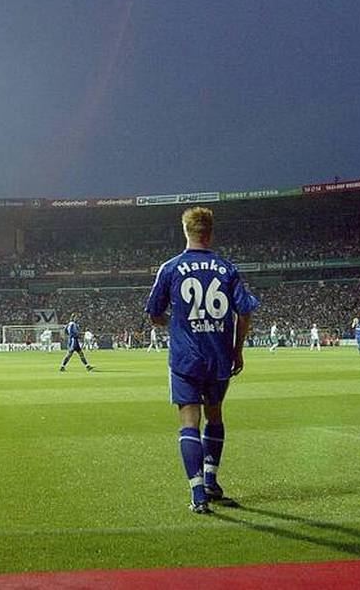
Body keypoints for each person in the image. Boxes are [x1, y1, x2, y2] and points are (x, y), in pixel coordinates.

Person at [145, 207, 259, 515]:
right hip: (219, 355)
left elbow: (154, 312)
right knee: (216, 414)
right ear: (210, 233)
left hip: (185, 358)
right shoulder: (227, 268)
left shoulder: (170, 268)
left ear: (186, 231)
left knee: (189, 422)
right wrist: (237, 349)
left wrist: (174, 321)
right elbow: (245, 310)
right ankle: (211, 480)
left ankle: (198, 493)